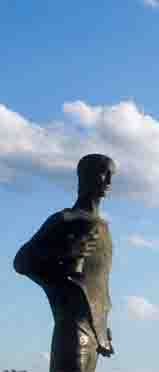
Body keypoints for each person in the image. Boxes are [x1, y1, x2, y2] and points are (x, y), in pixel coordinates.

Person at [14, 154, 117, 372]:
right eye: (103, 173)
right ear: (85, 176)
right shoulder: (65, 220)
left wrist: (102, 328)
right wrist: (65, 252)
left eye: (111, 175)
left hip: (95, 335)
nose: (108, 181)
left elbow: (98, 285)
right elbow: (22, 262)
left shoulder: (104, 230)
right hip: (72, 329)